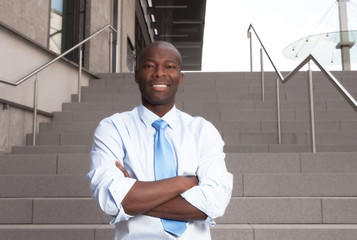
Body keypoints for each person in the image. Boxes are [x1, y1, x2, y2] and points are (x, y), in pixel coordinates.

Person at [86, 41, 233, 239]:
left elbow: (213, 203)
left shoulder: (203, 131)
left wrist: (136, 192)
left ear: (180, 78)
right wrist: (183, 183)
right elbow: (110, 199)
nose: (159, 73)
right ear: (137, 75)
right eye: (149, 66)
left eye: (169, 67)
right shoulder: (113, 128)